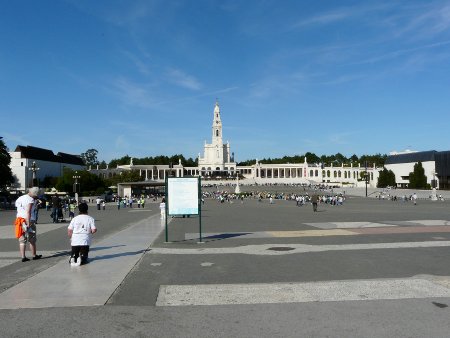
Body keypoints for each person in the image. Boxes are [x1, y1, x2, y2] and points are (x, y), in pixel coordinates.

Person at [14, 187, 42, 262]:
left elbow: (19, 208)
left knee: (22, 240)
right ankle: (34, 255)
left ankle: (23, 257)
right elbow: (28, 212)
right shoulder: (30, 200)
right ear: (34, 194)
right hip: (29, 220)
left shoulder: (20, 198)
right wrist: (28, 222)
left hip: (19, 220)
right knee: (32, 239)